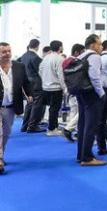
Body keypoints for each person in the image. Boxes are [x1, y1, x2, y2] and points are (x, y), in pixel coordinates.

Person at [0, 42, 32, 174]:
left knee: (6, 133)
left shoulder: (19, 66)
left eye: (9, 51)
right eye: (4, 52)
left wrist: (29, 94)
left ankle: (1, 154)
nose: (7, 54)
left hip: (11, 106)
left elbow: (26, 82)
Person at [75, 34, 107, 166]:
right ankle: (87, 157)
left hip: (81, 93)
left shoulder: (81, 56)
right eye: (100, 44)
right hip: (92, 94)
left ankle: (81, 154)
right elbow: (94, 77)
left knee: (83, 124)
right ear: (93, 45)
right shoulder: (94, 56)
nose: (101, 47)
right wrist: (101, 93)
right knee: (91, 125)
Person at [38, 40, 65, 136]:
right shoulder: (60, 59)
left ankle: (55, 127)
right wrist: (65, 88)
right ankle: (51, 129)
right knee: (54, 109)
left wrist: (45, 80)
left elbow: (40, 71)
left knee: (52, 108)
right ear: (60, 47)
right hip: (55, 88)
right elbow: (61, 75)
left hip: (46, 87)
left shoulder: (46, 57)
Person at [20, 38, 45, 133]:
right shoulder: (36, 58)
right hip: (36, 83)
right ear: (37, 46)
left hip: (27, 83)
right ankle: (32, 126)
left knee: (29, 104)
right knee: (37, 104)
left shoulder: (24, 56)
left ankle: (25, 126)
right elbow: (41, 71)